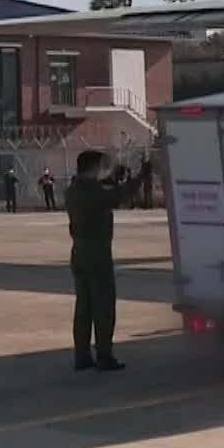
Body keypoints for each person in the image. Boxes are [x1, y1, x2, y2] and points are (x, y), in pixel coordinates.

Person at [65, 151, 141, 372]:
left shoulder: (74, 189)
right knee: (103, 307)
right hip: (97, 254)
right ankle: (104, 355)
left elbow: (101, 191)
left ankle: (82, 355)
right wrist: (139, 178)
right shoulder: (92, 192)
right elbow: (117, 197)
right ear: (92, 168)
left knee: (84, 308)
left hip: (79, 253)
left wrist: (112, 180)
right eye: (99, 167)